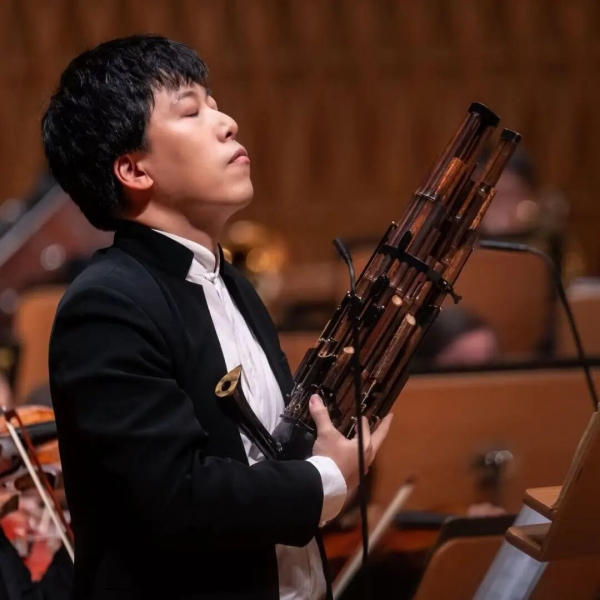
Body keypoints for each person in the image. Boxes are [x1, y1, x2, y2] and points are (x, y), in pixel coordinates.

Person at [41, 35, 392, 600]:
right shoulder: (106, 304)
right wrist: (328, 475)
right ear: (133, 169)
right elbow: (174, 498)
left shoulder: (231, 282)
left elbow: (264, 456)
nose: (227, 123)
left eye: (215, 104)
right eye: (191, 111)